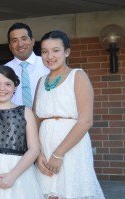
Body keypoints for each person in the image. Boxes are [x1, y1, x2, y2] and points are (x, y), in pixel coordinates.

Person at [34, 30, 104, 199]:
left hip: (71, 148)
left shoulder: (78, 76)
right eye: (44, 51)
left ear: (67, 52)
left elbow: (86, 121)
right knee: (49, 194)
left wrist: (58, 154)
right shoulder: (41, 81)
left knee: (71, 193)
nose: (49, 56)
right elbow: (36, 119)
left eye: (55, 50)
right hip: (45, 147)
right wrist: (38, 154)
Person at [0, 66, 42, 198]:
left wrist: (13, 175)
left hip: (19, 172)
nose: (2, 88)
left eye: (8, 84)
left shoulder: (25, 112)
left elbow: (34, 149)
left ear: (15, 87)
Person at [5, 22, 49, 107]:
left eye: (24, 39)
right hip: (14, 119)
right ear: (10, 46)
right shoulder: (4, 70)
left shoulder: (47, 64)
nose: (20, 44)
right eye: (15, 40)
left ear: (32, 41)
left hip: (45, 118)